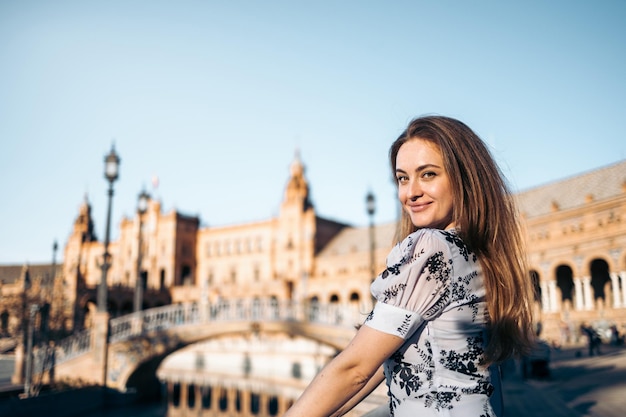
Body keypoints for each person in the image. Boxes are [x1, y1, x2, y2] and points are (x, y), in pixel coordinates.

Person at [283, 115, 536, 417]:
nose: (410, 192)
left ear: (464, 178)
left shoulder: (432, 248)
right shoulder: (477, 248)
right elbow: (376, 363)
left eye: (428, 174)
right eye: (402, 178)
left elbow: (354, 369)